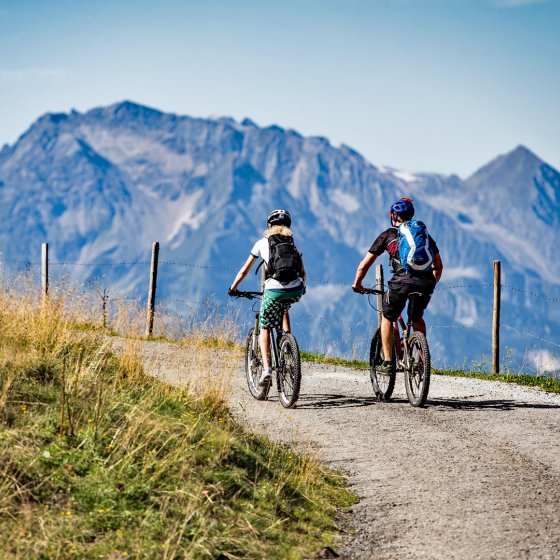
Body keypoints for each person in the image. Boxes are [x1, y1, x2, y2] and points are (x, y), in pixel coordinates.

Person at [352, 198, 443, 373]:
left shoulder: (388, 235)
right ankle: (421, 359)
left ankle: (387, 362)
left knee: (387, 318)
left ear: (393, 216)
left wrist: (358, 284)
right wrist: (430, 283)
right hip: (425, 284)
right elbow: (438, 267)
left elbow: (364, 265)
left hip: (401, 282)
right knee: (417, 318)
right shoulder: (424, 237)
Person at [229, 209, 305, 385]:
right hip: (296, 288)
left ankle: (267, 370)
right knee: (284, 306)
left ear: (269, 226)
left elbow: (244, 270)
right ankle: (288, 342)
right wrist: (302, 286)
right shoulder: (293, 243)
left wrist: (233, 288)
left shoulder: (262, 243)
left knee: (264, 326)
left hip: (273, 290)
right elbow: (302, 270)